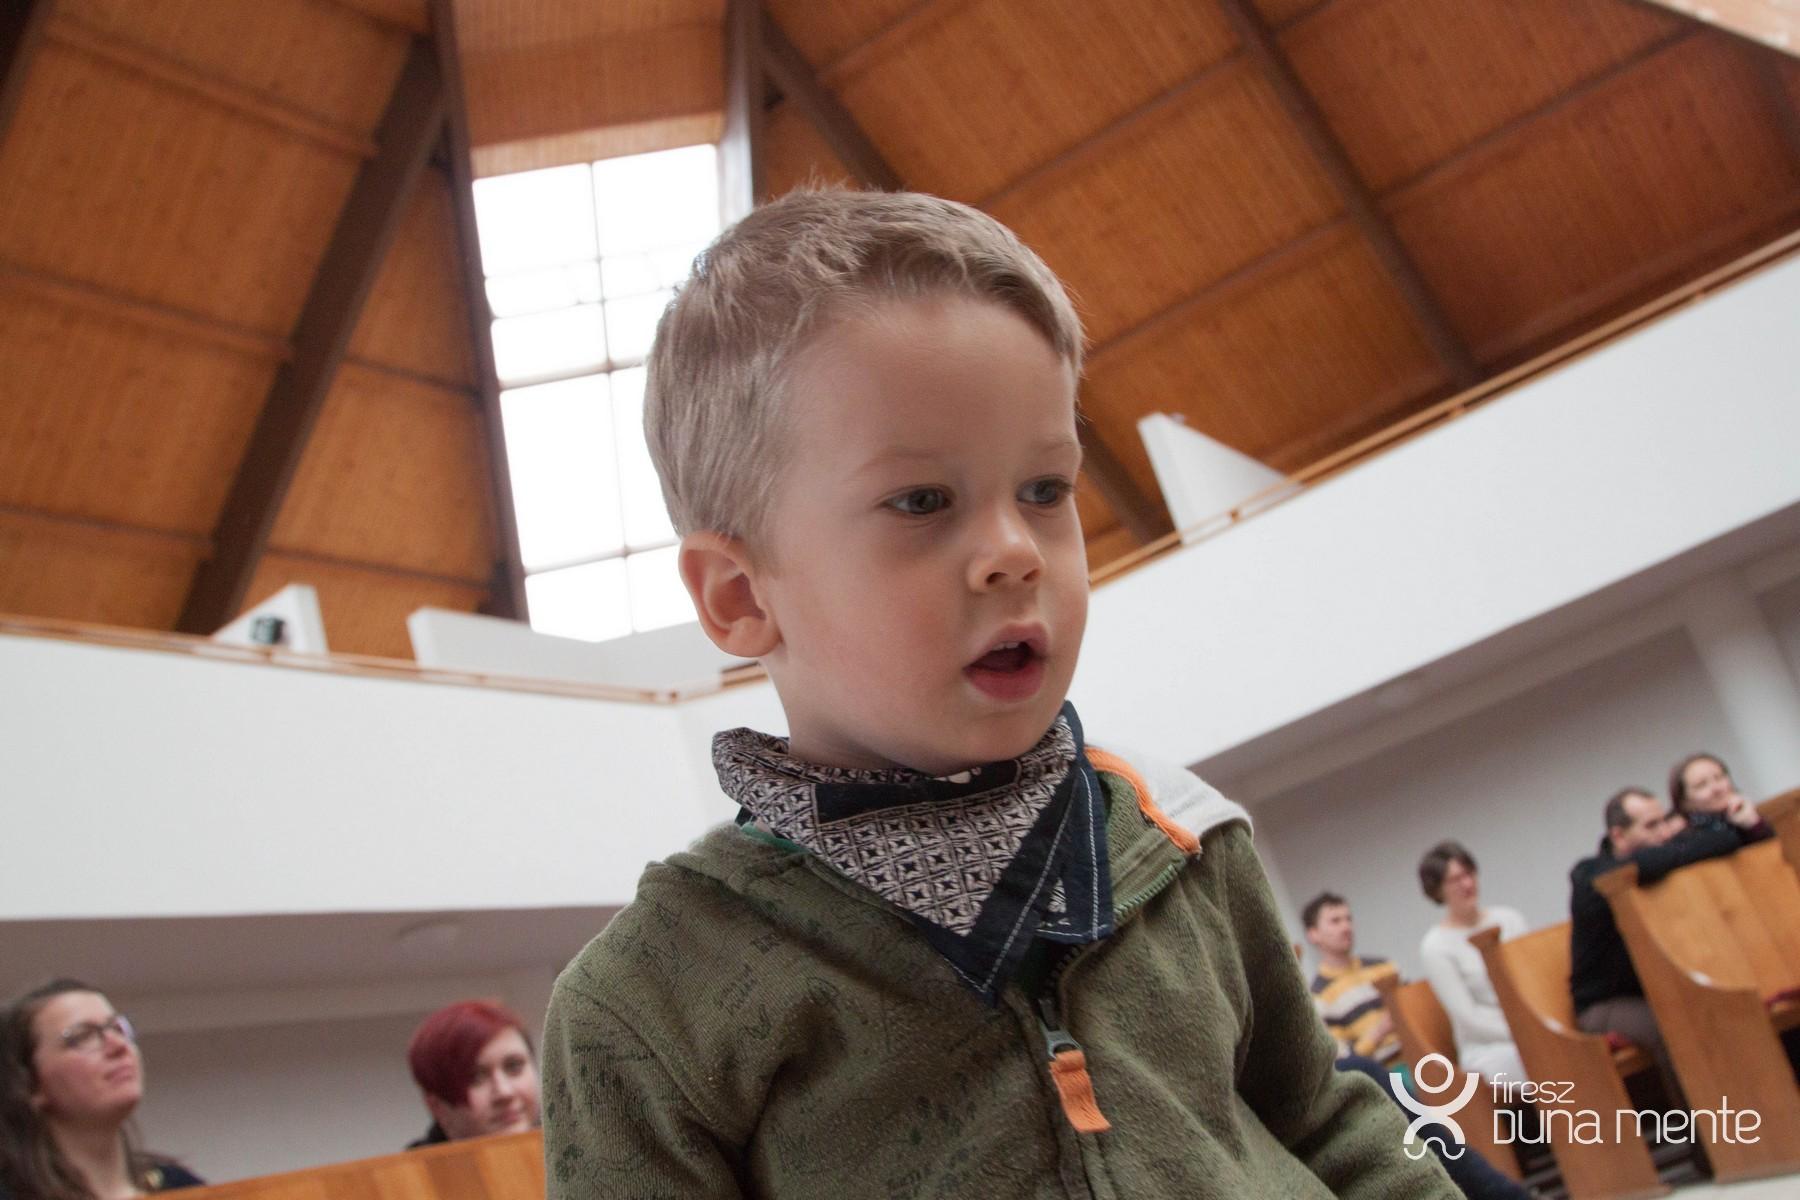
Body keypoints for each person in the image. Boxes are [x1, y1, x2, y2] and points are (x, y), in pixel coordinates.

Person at [539, 189, 1454, 1198]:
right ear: (741, 596)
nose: (1016, 552)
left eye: (1045, 490)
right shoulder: (647, 1003)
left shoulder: (1180, 835)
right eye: (922, 501)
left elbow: (1327, 1121)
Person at [1568, 785, 1763, 1090]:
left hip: (1662, 986)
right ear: (1618, 836)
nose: (1664, 833)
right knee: (1675, 1027)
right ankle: (1702, 1116)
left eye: (1663, 821)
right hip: (1608, 1002)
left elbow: (1718, 842)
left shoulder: (1662, 861)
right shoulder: (1590, 875)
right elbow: (1644, 864)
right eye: (1651, 826)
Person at [0, 979, 202, 1200]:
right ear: (30, 1083)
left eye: (118, 1028)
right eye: (82, 1036)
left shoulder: (180, 1187)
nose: (119, 1045)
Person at [1416, 842, 1527, 1085]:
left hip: (1531, 1027)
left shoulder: (1509, 918)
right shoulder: (1435, 946)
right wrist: (1525, 1031)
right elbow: (1469, 1018)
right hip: (1489, 1048)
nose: (1467, 884)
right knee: (1541, 1059)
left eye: (1469, 874)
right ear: (1438, 890)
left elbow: (1531, 979)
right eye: (1455, 880)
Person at [404, 1001, 540, 1147]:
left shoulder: (558, 1144)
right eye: (476, 1078)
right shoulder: (412, 1163)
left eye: (514, 1066)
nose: (505, 1092)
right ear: (438, 1108)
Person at [1303, 892, 1402, 1065]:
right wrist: (1380, 1032)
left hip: (1421, 1055)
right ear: (1313, 934)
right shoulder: (1319, 997)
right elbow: (1344, 1062)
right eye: (1335, 921)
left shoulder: (1384, 966)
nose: (1346, 927)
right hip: (1384, 1072)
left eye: (1348, 919)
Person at [1668, 752, 1773, 842]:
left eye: (1719, 777)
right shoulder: (1688, 839)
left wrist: (1753, 824)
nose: (1716, 788)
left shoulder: (1750, 814)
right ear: (1685, 803)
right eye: (1701, 785)